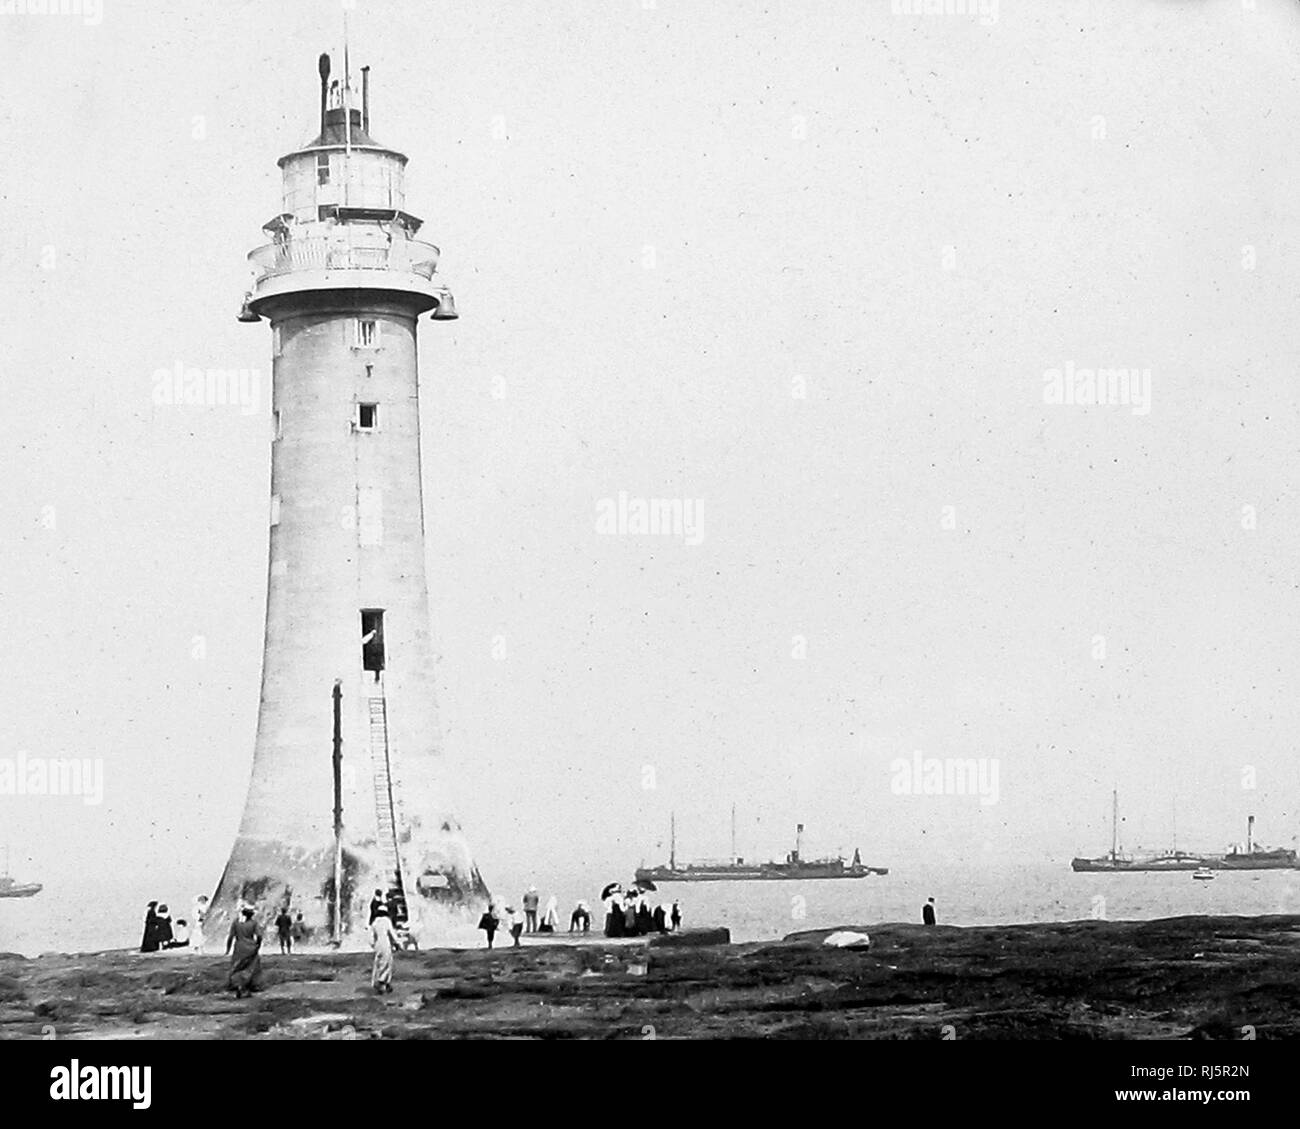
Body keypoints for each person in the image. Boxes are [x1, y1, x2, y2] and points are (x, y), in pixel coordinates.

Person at [225, 907, 265, 998]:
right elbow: (259, 936)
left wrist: (228, 949)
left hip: (239, 947)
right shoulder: (253, 923)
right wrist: (258, 945)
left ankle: (237, 985)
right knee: (251, 967)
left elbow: (231, 937)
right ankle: (248, 987)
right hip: (251, 946)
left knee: (237, 967)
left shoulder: (236, 922)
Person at [370, 904, 400, 994]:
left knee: (378, 963)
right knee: (388, 962)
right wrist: (397, 943)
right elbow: (392, 933)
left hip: (378, 944)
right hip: (385, 943)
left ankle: (381, 983)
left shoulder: (374, 922)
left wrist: (373, 945)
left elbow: (371, 937)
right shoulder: (386, 921)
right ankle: (382, 982)